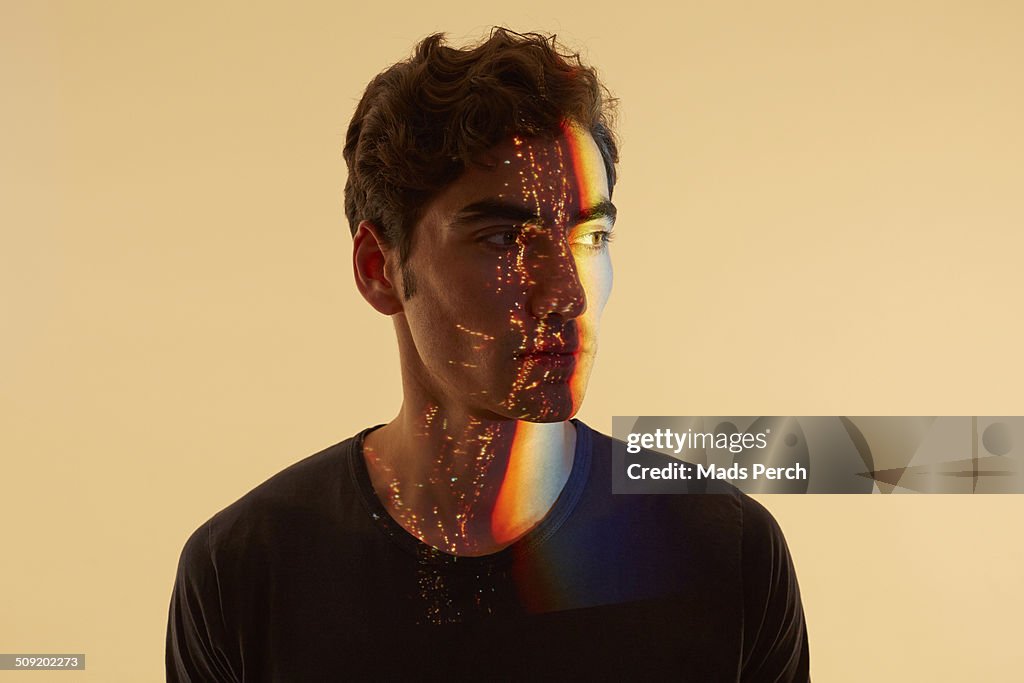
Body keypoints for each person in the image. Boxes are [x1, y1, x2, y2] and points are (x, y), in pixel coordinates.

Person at [166, 28, 810, 681]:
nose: (564, 293)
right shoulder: (247, 573)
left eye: (590, 235)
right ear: (378, 268)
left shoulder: (723, 552)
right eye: (504, 238)